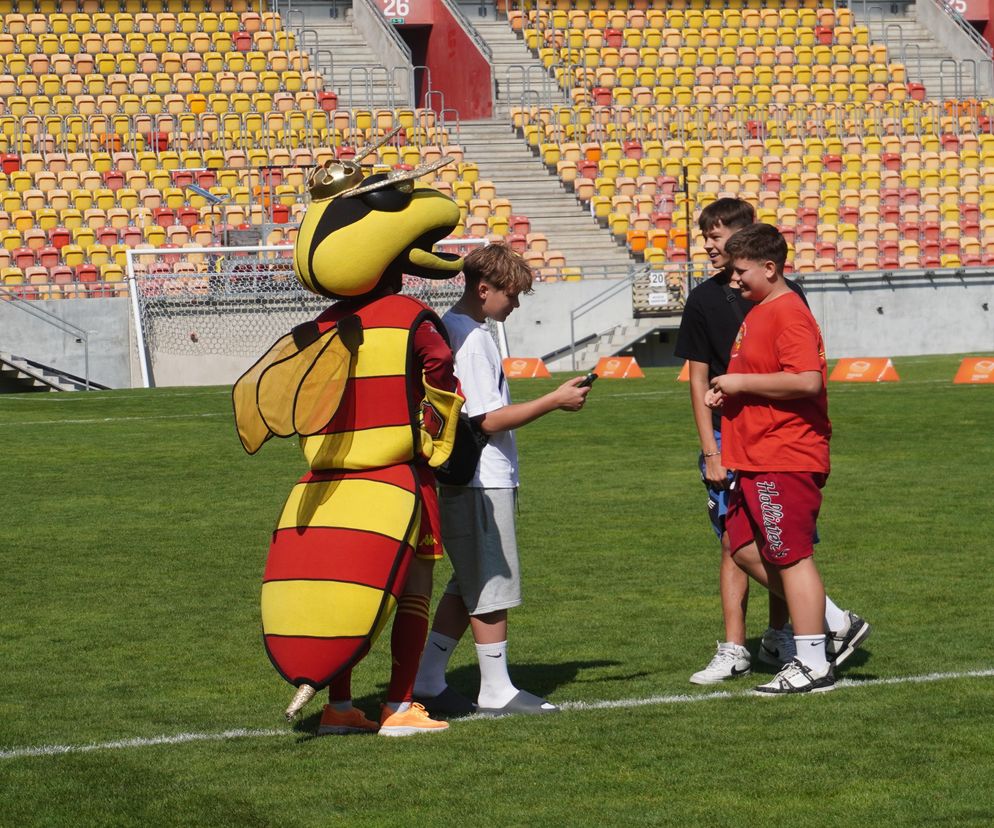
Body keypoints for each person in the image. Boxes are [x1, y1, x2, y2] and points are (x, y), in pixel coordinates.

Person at [675, 200, 870, 685]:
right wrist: (729, 393)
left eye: (741, 271)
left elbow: (807, 381)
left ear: (769, 266)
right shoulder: (757, 309)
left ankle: (811, 659)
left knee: (790, 554)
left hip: (782, 452)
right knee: (740, 545)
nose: (733, 280)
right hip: (753, 451)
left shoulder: (788, 312)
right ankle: (832, 623)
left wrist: (739, 385)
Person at [413, 243, 591, 716]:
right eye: (512, 295)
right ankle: (495, 688)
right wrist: (554, 401)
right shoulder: (470, 337)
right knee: (490, 582)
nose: (515, 304)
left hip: (475, 478)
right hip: (478, 479)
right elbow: (487, 419)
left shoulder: (464, 330)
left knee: (470, 580)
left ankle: (427, 679)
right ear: (484, 288)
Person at [674, 198, 793, 684]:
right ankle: (734, 647)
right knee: (732, 541)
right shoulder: (703, 299)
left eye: (718, 234)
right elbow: (698, 381)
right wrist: (711, 451)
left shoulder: (786, 297)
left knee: (783, 540)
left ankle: (782, 635)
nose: (708, 244)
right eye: (707, 235)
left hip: (777, 435)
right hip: (729, 437)